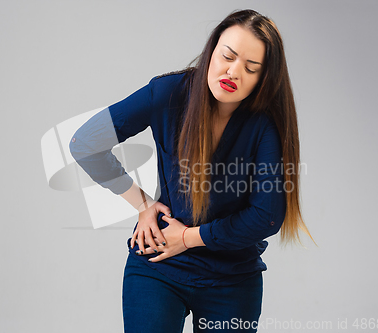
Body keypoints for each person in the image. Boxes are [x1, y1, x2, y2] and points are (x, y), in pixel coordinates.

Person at [69, 9, 315, 333]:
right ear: (212, 50)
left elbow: (266, 216)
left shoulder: (265, 125)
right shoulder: (168, 93)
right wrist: (142, 204)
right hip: (158, 261)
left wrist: (187, 237)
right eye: (227, 55)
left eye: (251, 67)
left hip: (233, 278)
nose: (233, 71)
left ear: (263, 79)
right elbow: (85, 142)